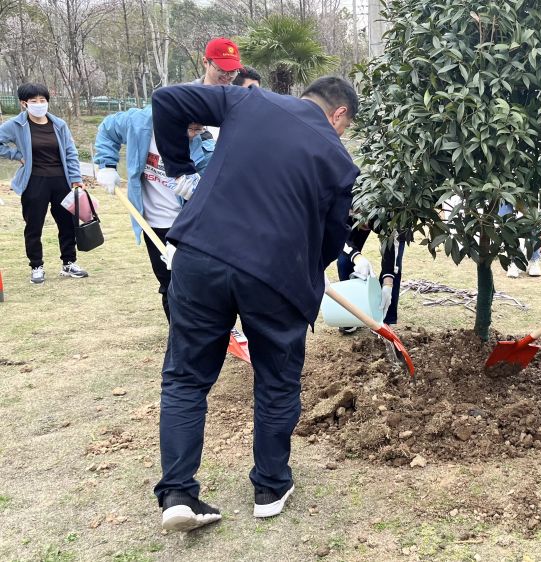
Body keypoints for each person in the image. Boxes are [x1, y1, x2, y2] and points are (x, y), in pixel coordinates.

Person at [149, 76, 359, 531]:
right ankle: (270, 486)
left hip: (202, 255)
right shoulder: (340, 162)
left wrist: (179, 169)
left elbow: (167, 100)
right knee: (277, 381)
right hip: (276, 277)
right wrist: (305, 270)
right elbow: (331, 239)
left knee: (186, 378)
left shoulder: (249, 101)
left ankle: (178, 494)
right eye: (345, 126)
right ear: (339, 113)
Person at [93, 108, 216, 321]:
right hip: (152, 222)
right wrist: (107, 165)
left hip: (188, 224)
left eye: (199, 129)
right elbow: (107, 129)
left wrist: (198, 186)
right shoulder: (139, 123)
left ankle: (204, 330)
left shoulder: (204, 145)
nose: (193, 134)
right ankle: (178, 335)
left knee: (198, 283)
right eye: (190, 128)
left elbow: (217, 186)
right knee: (168, 283)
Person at [0, 83, 87, 283]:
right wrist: (15, 155)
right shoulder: (16, 125)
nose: (39, 104)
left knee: (66, 224)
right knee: (34, 226)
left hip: (61, 181)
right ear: (24, 104)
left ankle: (69, 263)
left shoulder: (59, 124)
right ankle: (36, 266)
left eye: (43, 100)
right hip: (34, 181)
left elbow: (70, 153)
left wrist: (76, 179)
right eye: (34, 101)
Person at [337, 224, 407, 333]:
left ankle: (383, 318)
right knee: (344, 260)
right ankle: (351, 313)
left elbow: (395, 243)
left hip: (392, 223)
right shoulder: (343, 208)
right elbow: (336, 232)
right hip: (351, 220)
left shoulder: (395, 213)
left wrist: (388, 283)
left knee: (394, 266)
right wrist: (356, 256)